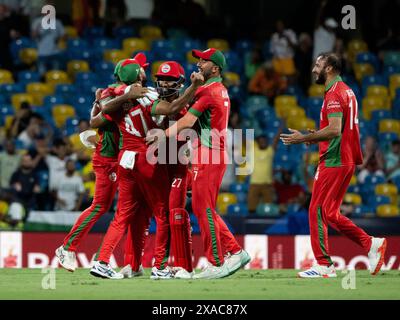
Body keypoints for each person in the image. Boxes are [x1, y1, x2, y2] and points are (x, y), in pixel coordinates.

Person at [89, 60, 204, 279]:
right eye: (142, 71)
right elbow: (172, 108)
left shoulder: (114, 98)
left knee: (122, 215)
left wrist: (120, 96)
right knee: (162, 214)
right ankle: (160, 267)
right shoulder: (148, 97)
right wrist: (194, 87)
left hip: (125, 158)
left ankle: (102, 261)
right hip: (147, 157)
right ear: (138, 76)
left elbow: (98, 118)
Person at [146, 48, 251, 279]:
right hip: (210, 151)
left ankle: (217, 260)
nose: (199, 63)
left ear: (215, 68)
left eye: (203, 61)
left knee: (204, 208)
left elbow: (186, 120)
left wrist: (162, 135)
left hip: (209, 152)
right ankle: (235, 252)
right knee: (204, 208)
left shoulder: (209, 91)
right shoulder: (218, 89)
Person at [280, 52, 386, 278]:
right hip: (344, 158)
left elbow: (335, 129)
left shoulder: (335, 93)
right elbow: (337, 129)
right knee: (329, 212)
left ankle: (323, 265)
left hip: (334, 159)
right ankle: (371, 244)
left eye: (318, 65)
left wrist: (303, 138)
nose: (313, 69)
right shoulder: (346, 90)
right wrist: (315, 137)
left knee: (316, 209)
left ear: (329, 68)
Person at [55, 54, 150, 273]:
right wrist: (103, 105)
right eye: (141, 69)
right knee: (101, 206)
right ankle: (67, 248)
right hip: (109, 158)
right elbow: (95, 121)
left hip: (120, 157)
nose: (144, 73)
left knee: (131, 209)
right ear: (134, 74)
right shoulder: (118, 95)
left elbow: (98, 113)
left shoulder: (118, 93)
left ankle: (133, 264)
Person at [247, 133, 279, 213]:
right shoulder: (253, 150)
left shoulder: (270, 151)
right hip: (254, 183)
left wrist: (282, 125)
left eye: (264, 141)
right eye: (261, 141)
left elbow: (276, 139)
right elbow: (243, 139)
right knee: (251, 208)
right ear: (257, 142)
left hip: (267, 184)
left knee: (269, 208)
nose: (263, 142)